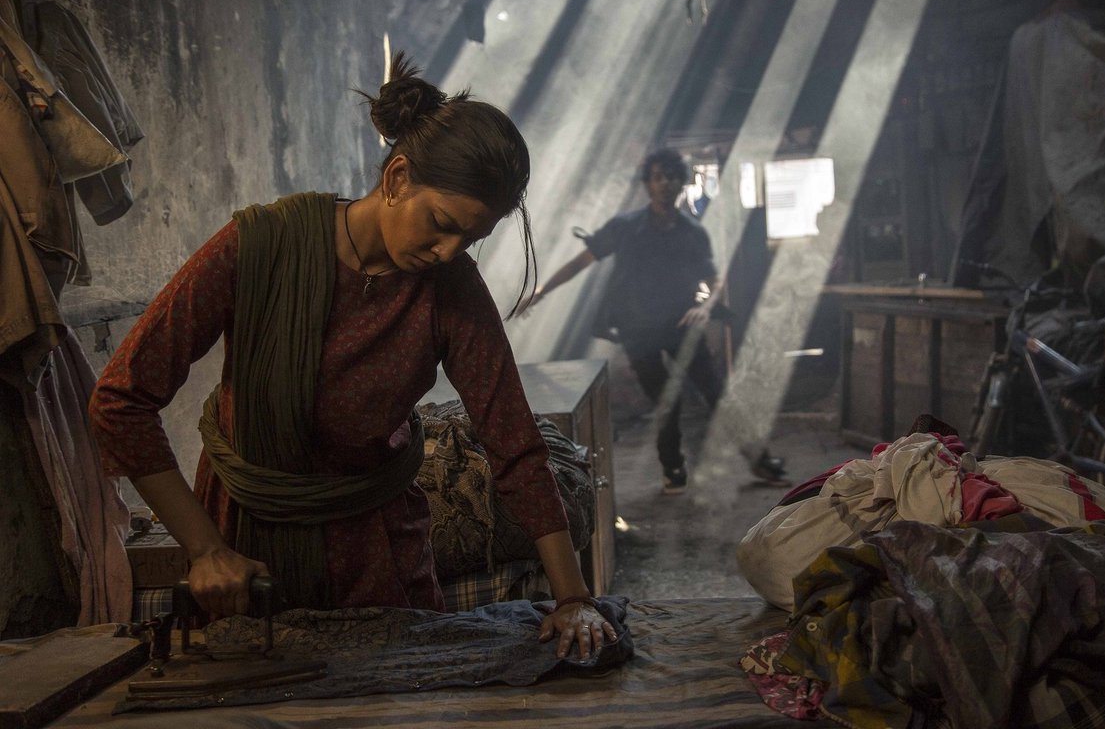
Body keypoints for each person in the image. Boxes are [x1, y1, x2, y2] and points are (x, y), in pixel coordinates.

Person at [89, 53, 615, 660]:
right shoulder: (259, 246)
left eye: (471, 238)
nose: (449, 251)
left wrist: (573, 597)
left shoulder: (451, 289)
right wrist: (206, 550)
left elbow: (514, 443)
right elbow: (121, 399)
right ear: (395, 179)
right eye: (441, 223)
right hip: (247, 546)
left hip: (378, 552)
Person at [516, 148, 787, 494]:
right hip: (638, 330)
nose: (664, 183)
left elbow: (712, 279)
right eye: (657, 177)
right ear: (647, 184)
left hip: (681, 325)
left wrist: (705, 305)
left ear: (681, 183)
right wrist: (540, 291)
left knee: (717, 393)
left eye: (671, 176)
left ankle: (761, 461)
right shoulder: (625, 227)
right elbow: (579, 262)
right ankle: (673, 468)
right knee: (667, 402)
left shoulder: (691, 232)